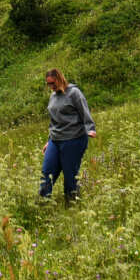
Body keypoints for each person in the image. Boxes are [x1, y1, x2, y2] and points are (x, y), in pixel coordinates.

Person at [39, 68, 96, 202]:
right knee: (46, 172)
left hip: (73, 139)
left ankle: (71, 204)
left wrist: (90, 128)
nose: (51, 87)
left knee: (70, 175)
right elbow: (53, 121)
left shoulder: (74, 93)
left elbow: (84, 111)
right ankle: (43, 203)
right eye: (48, 84)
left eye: (53, 83)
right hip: (56, 139)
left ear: (60, 79)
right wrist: (49, 140)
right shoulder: (52, 97)